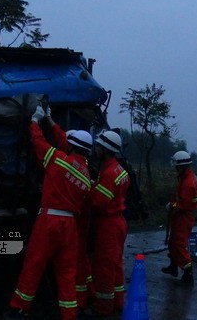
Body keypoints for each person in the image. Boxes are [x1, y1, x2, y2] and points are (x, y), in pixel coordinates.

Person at [7, 105, 92, 320]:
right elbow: (66, 142)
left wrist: (35, 122)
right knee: (66, 272)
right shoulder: (85, 176)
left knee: (34, 263)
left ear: (72, 147)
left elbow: (38, 143)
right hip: (69, 227)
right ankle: (69, 314)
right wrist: (51, 120)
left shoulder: (58, 160)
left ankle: (20, 308)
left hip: (49, 221)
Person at [83, 130, 130, 316]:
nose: (96, 149)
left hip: (108, 225)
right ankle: (118, 302)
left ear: (105, 149)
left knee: (103, 266)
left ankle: (102, 307)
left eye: (99, 146)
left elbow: (98, 202)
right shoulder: (117, 169)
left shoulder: (109, 172)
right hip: (118, 222)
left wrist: (86, 189)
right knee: (115, 265)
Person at [161, 151, 197, 284]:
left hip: (183, 217)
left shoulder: (187, 183)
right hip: (182, 216)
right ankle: (173, 267)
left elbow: (182, 204)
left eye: (177, 166)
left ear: (182, 166)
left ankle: (188, 274)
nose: (175, 168)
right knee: (173, 243)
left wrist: (172, 206)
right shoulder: (188, 177)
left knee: (179, 244)